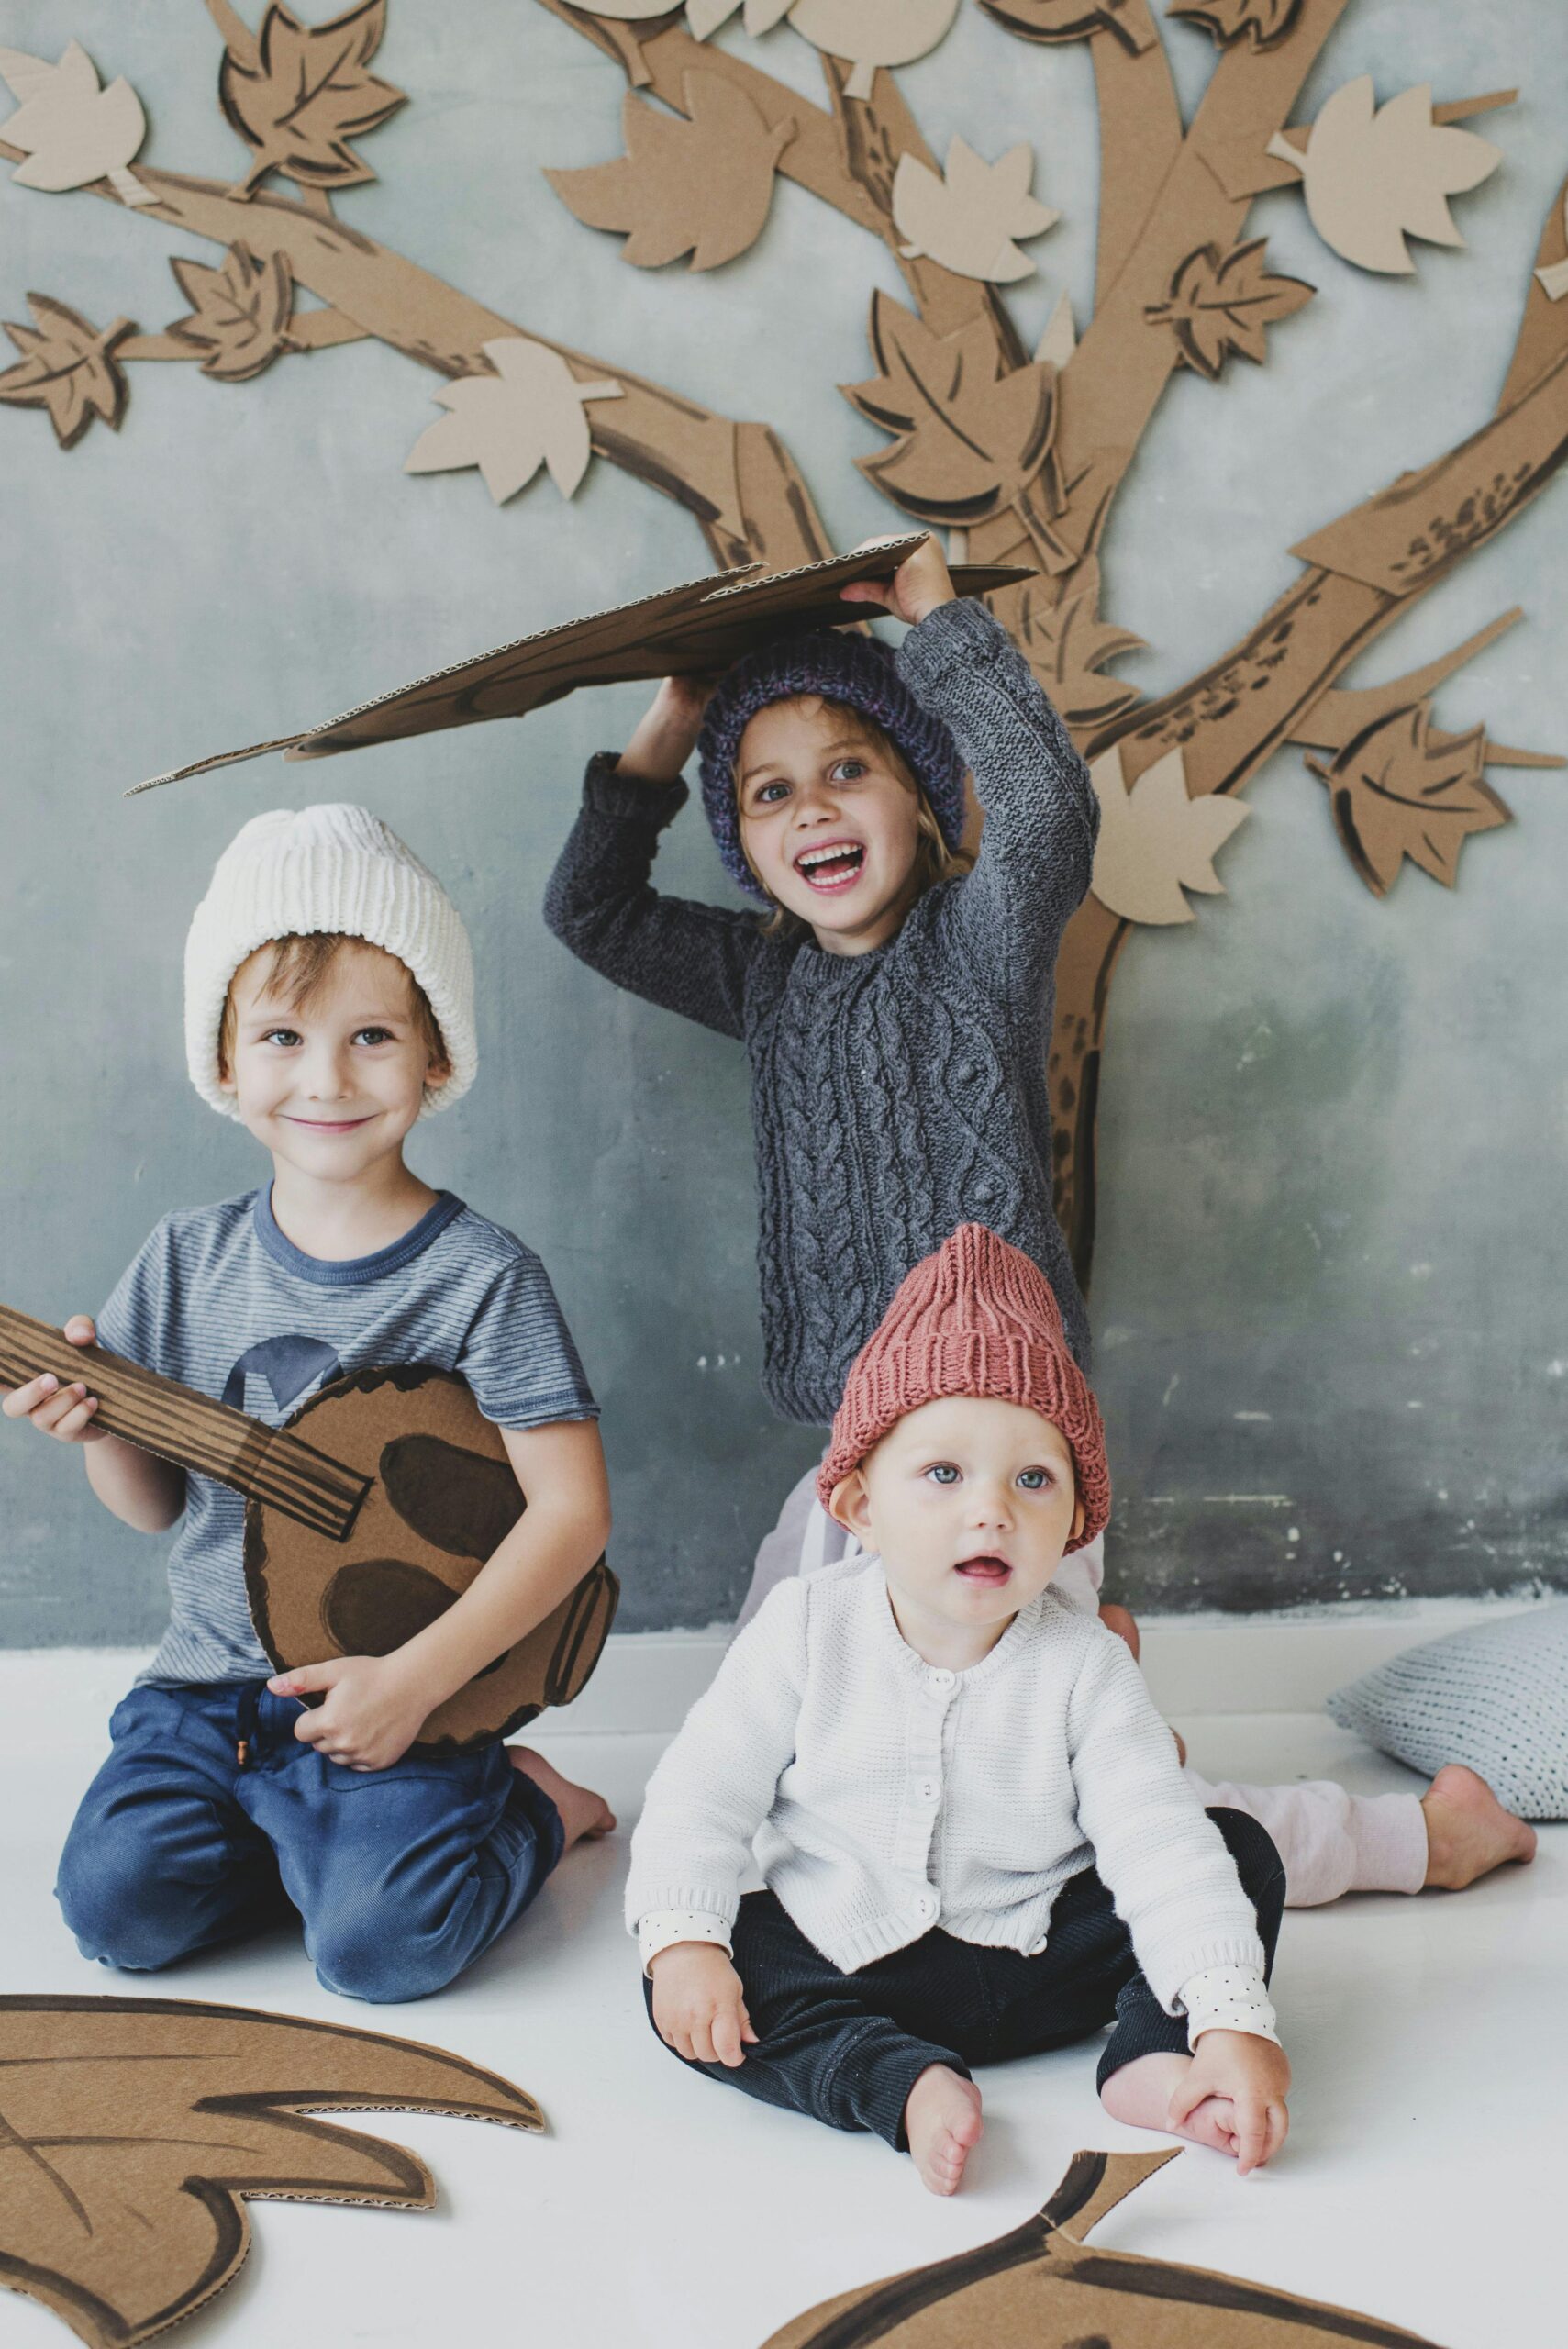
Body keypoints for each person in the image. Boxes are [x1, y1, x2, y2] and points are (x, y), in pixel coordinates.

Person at [549, 534, 1535, 1909]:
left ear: (919, 792)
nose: (812, 811)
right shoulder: (763, 983)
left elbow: (1047, 806)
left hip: (1004, 1463)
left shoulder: (979, 940)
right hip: (853, 1467)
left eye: (848, 769)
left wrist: (937, 619)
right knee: (766, 1741)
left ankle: (1406, 1841)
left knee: (1069, 1808)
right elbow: (587, 909)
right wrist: (674, 719)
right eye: (768, 793)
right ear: (744, 845)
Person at [4, 804, 615, 2002]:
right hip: (207, 1693)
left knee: (383, 1955)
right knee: (114, 1917)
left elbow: (570, 1513)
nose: (325, 1079)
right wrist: (100, 1433)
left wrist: (420, 1682)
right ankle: (305, 1846)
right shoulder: (184, 1260)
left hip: (401, 1679)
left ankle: (533, 1807)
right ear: (225, 1066)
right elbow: (150, 1507)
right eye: (280, 1037)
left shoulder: (483, 1275)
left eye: (372, 1036)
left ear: (436, 1056)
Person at [628, 1225, 1291, 2193]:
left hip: (1037, 1958)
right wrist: (686, 1943)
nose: (990, 1510)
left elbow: (1157, 1846)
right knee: (688, 1968)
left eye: (1032, 1478)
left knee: (1231, 1847)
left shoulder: (1084, 1663)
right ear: (857, 1505)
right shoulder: (806, 1625)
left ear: (1072, 1520)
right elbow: (700, 1793)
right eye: (943, 1474)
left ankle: (1156, 2057)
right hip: (849, 1953)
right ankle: (893, 2080)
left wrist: (1231, 2013)